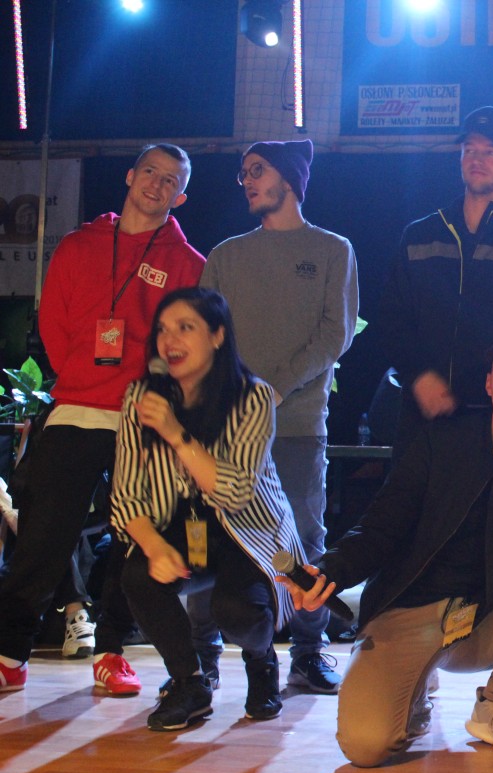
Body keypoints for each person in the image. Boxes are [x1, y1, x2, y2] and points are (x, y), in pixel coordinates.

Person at [278, 328, 493, 767]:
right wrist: (330, 570)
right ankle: (412, 690)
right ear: (488, 384)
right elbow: (381, 526)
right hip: (409, 611)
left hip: (487, 615)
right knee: (366, 746)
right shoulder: (440, 441)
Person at [0, 144, 204, 695]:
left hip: (144, 420)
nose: (157, 184)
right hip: (75, 409)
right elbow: (54, 327)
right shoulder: (78, 245)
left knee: (133, 542)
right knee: (43, 536)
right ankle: (10, 653)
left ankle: (112, 652)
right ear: (131, 176)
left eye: (171, 180)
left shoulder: (189, 264)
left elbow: (186, 347)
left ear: (180, 197)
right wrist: (86, 376)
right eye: (151, 172)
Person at [200, 138, 358, 695]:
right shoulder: (225, 255)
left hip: (296, 425)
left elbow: (335, 335)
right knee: (211, 535)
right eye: (243, 172)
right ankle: (202, 656)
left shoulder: (333, 249)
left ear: (288, 179)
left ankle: (308, 652)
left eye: (257, 170)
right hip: (226, 428)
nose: (247, 181)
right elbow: (201, 335)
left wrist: (274, 388)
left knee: (304, 538)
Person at [112, 287, 306, 731]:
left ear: (217, 336)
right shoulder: (141, 397)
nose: (170, 341)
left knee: (235, 611)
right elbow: (126, 495)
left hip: (249, 532)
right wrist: (155, 547)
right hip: (188, 530)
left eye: (185, 327)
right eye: (163, 330)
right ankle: (190, 683)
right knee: (137, 574)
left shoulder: (252, 397)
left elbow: (234, 493)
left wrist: (175, 433)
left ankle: (261, 660)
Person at [380, 106, 493, 451]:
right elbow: (391, 321)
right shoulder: (419, 236)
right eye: (470, 150)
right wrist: (419, 376)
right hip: (420, 422)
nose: (477, 159)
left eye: (490, 152)